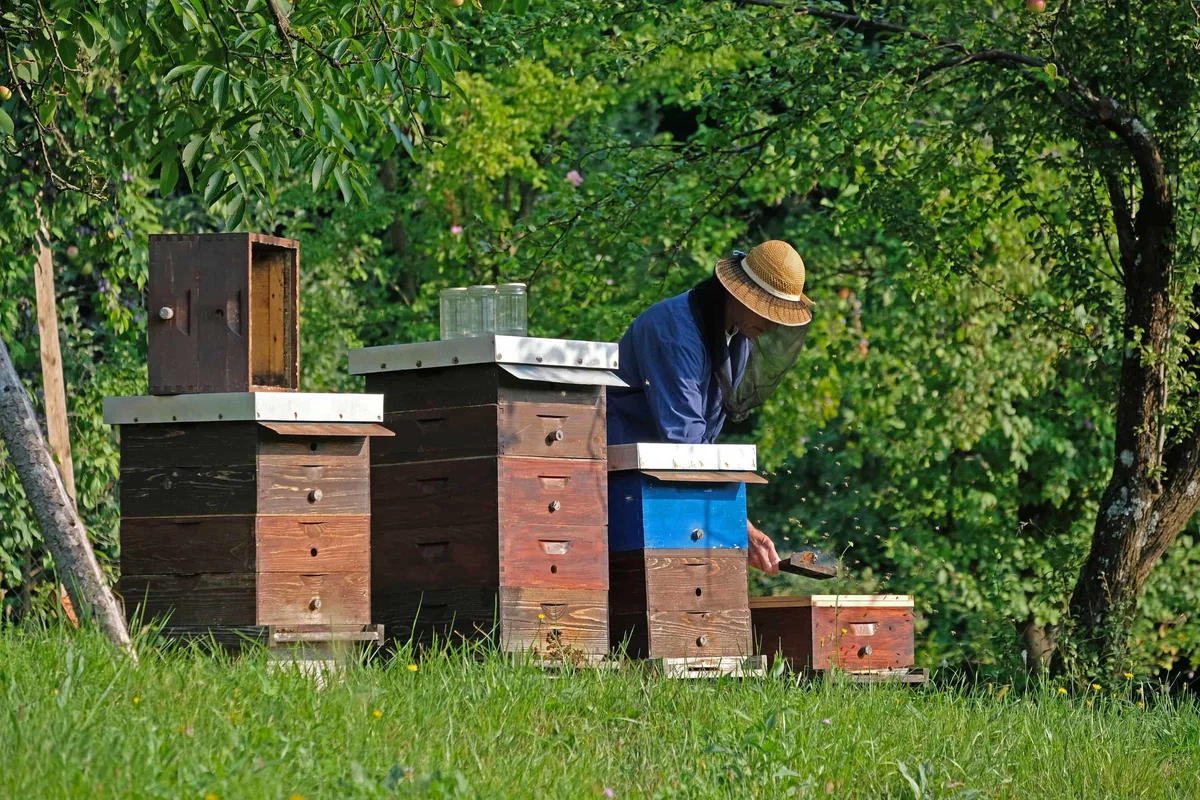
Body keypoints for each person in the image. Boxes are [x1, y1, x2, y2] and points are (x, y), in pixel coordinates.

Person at [607, 240, 814, 575]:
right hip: (624, 479)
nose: (774, 325)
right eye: (768, 310)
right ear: (740, 295)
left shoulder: (735, 334)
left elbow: (701, 445)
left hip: (670, 476)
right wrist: (741, 528)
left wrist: (741, 526)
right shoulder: (675, 333)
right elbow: (685, 443)